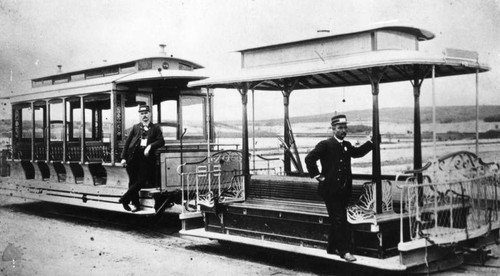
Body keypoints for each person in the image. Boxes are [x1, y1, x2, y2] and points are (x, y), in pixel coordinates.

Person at [304, 114, 373, 262]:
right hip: (330, 191)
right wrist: (317, 175)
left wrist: (371, 142)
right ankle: (344, 251)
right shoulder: (325, 144)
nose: (343, 130)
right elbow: (309, 158)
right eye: (340, 128)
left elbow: (358, 153)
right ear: (333, 129)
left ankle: (331, 248)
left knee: (338, 219)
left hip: (343, 191)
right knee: (340, 219)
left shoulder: (347, 145)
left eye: (344, 127)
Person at [119, 105, 165, 212]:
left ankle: (124, 199)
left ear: (150, 114)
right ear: (140, 115)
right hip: (132, 158)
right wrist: (123, 158)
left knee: (142, 181)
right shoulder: (135, 128)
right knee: (132, 182)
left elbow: (161, 141)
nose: (144, 116)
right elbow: (127, 143)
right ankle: (135, 205)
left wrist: (150, 146)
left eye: (146, 113)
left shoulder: (155, 128)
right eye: (142, 114)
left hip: (146, 160)